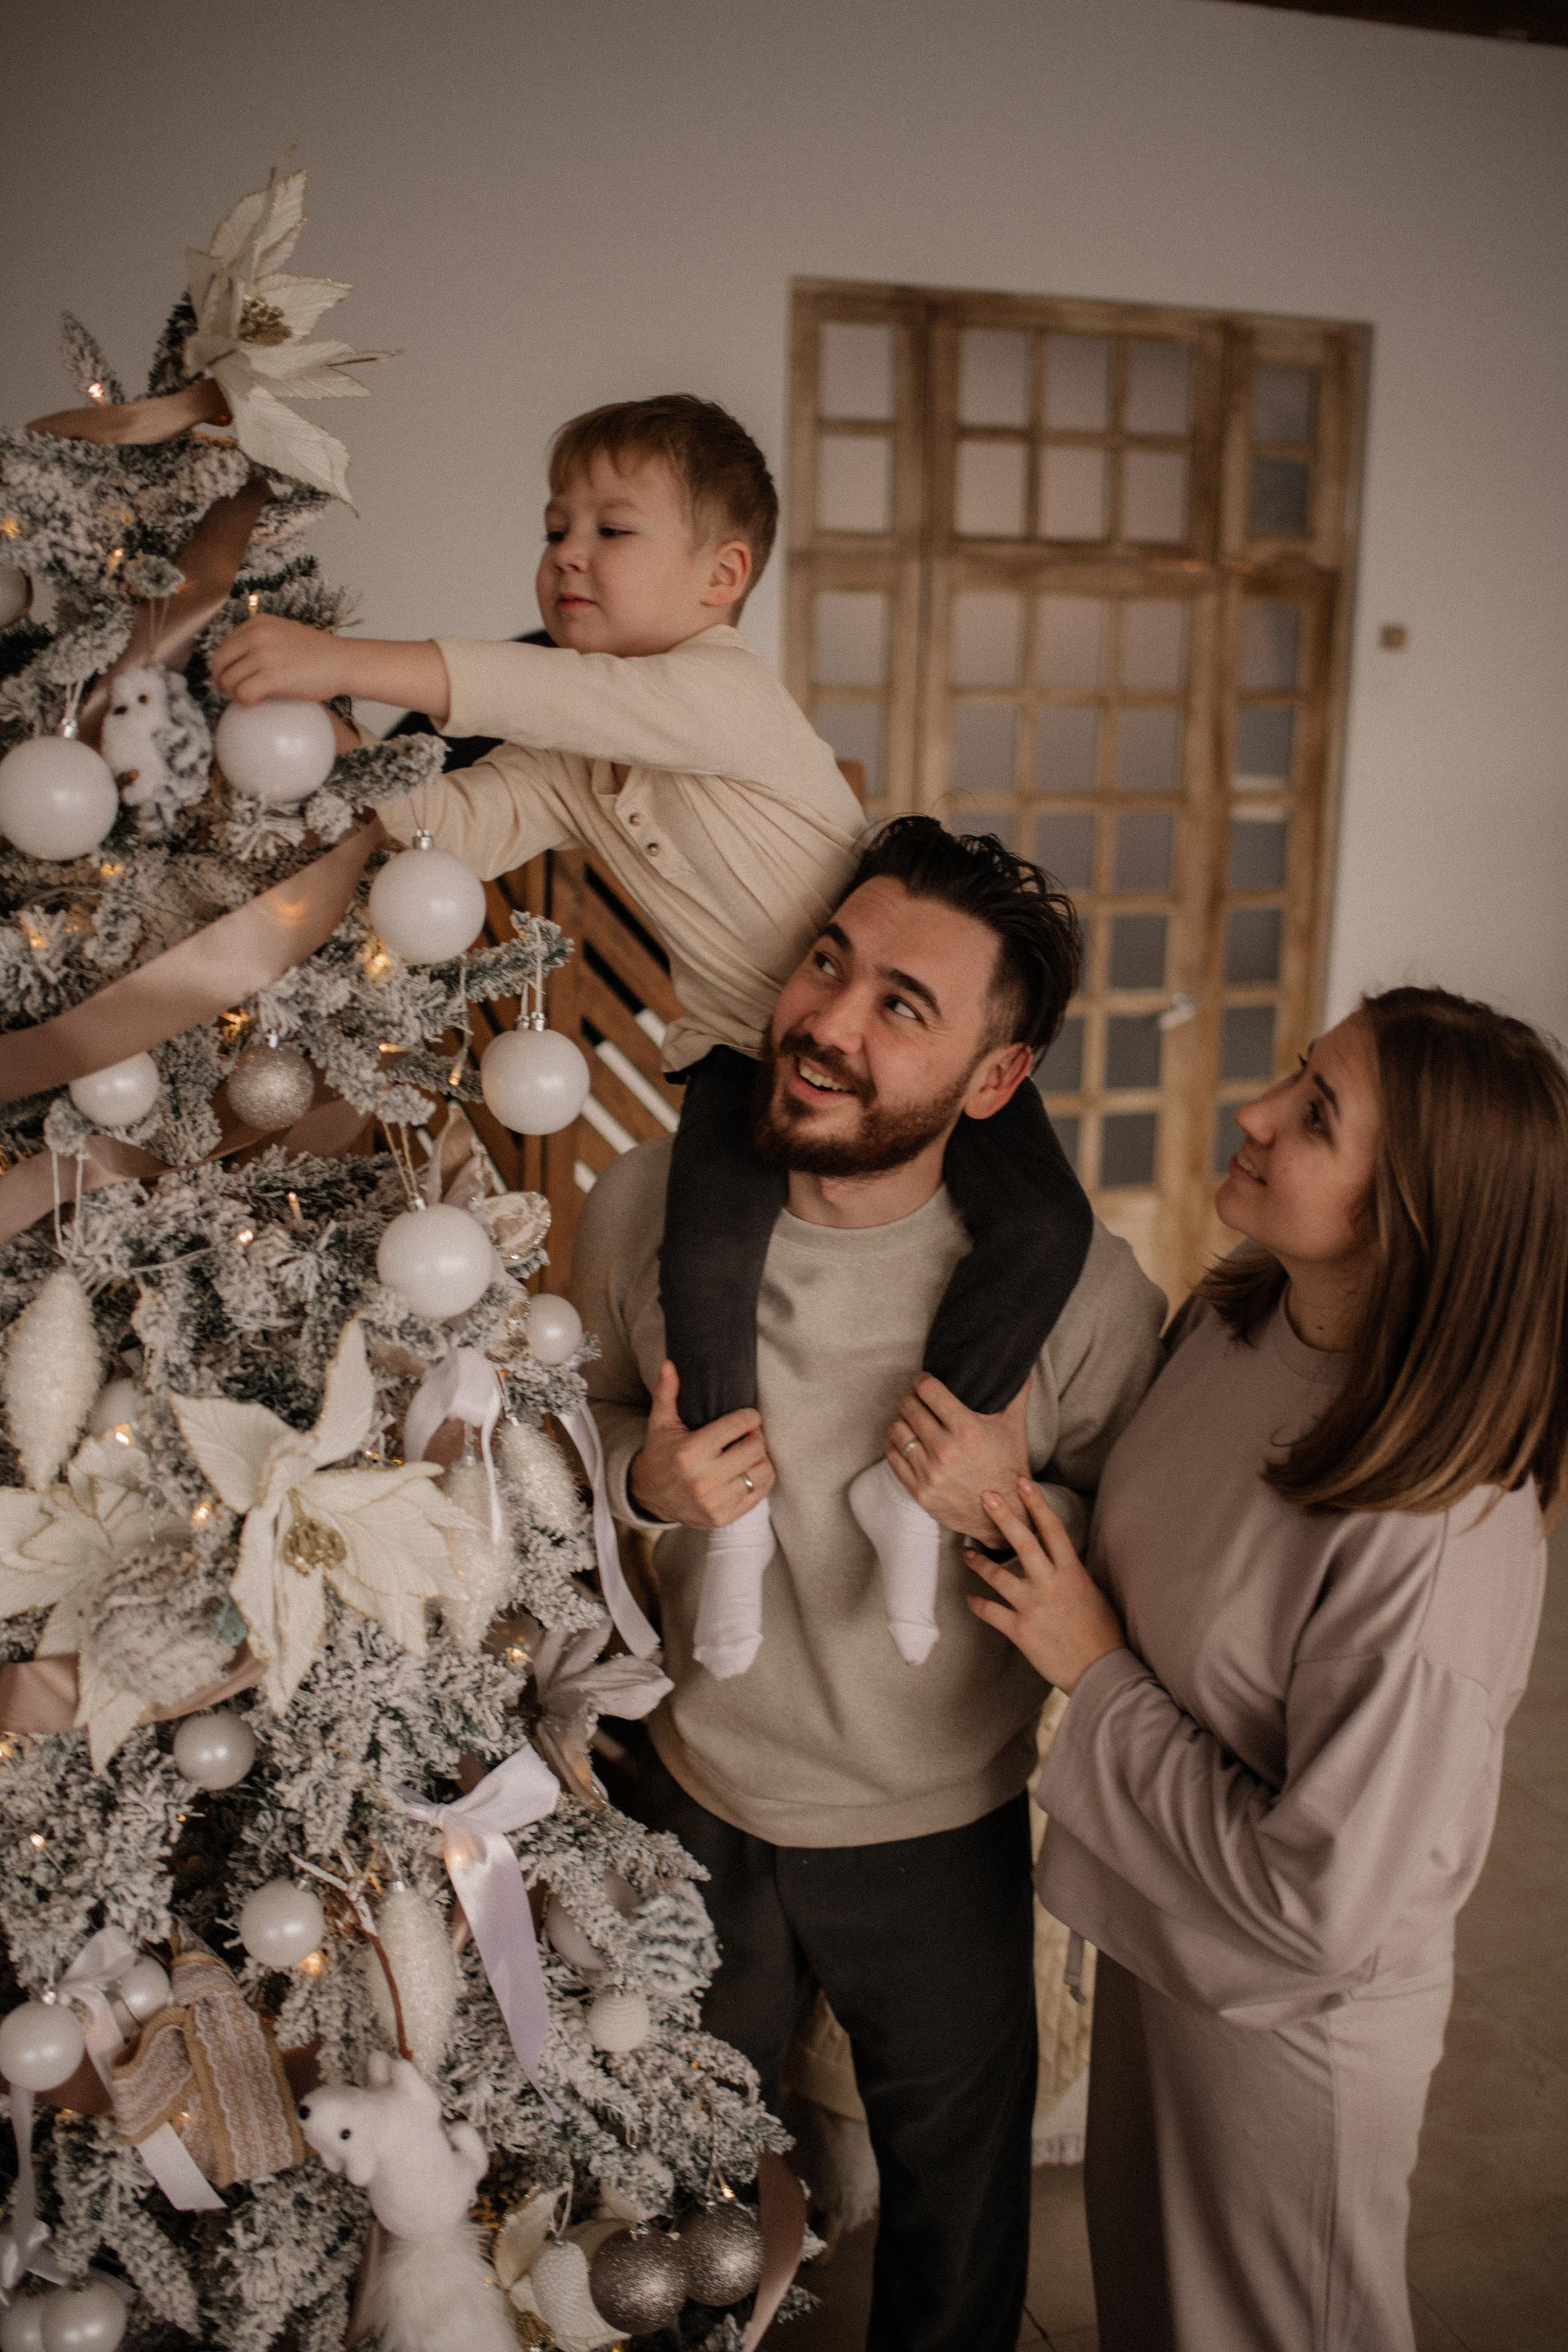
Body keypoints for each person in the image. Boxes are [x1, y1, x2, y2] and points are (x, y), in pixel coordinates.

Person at [208, 395, 1091, 1678]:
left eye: (610, 531)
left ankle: (909, 1488)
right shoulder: (578, 753)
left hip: (901, 1049)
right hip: (749, 1058)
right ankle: (733, 1521)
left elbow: (535, 684)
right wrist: (345, 761)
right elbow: (457, 823)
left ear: (720, 578)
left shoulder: (720, 691)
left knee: (1046, 1224)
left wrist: (337, 657)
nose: (567, 555)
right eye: (553, 528)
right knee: (705, 1267)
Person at [569, 818, 1165, 2352]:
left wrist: (1005, 1504)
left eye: (903, 1004)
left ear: (994, 1078)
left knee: (956, 2239)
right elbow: (563, 1431)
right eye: (827, 966)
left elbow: (1137, 1561)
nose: (828, 1022)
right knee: (662, 2215)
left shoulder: (1086, 1299)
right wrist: (642, 1480)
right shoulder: (640, 1208)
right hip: (692, 1795)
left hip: (937, 1828)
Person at [962, 987, 1567, 2352]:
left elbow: (1317, 1905)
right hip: (1165, 1932)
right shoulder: (1239, 1321)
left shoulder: (1439, 1532)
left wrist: (1090, 1668)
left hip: (1292, 2027)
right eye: (1299, 1074)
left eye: (1317, 1115)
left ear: (1412, 1212)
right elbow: (1162, 1584)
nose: (1255, 1109)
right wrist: (1008, 1508)